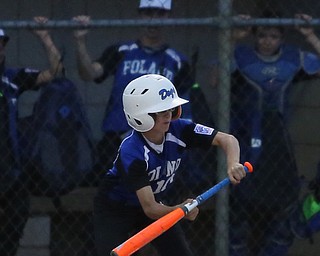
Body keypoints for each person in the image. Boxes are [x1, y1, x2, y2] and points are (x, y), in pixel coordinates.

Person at [93, 74, 246, 256]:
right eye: (161, 111)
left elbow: (227, 139)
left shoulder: (179, 129)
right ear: (141, 116)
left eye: (171, 110)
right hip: (116, 209)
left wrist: (232, 164)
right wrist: (180, 210)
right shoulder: (132, 151)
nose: (169, 115)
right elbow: (149, 208)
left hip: (157, 206)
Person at [210, 10, 320, 256]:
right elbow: (215, 79)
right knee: (238, 204)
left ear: (281, 37)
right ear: (254, 36)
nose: (267, 41)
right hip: (246, 139)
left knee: (283, 207)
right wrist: (233, 38)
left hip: (278, 143)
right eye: (262, 35)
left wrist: (310, 35)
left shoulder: (292, 59)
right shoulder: (242, 56)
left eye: (273, 35)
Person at [72, 0, 194, 176]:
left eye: (159, 13)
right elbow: (90, 73)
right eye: (148, 13)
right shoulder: (122, 51)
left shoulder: (178, 61)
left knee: (156, 196)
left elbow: (182, 109)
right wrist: (80, 41)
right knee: (114, 196)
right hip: (117, 136)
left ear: (168, 16)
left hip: (159, 140)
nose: (153, 19)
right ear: (139, 15)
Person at [0, 16, 63, 256]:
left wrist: (45, 37)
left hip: (9, 167)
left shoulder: (12, 79)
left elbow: (56, 72)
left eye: (1, 43)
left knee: (17, 214)